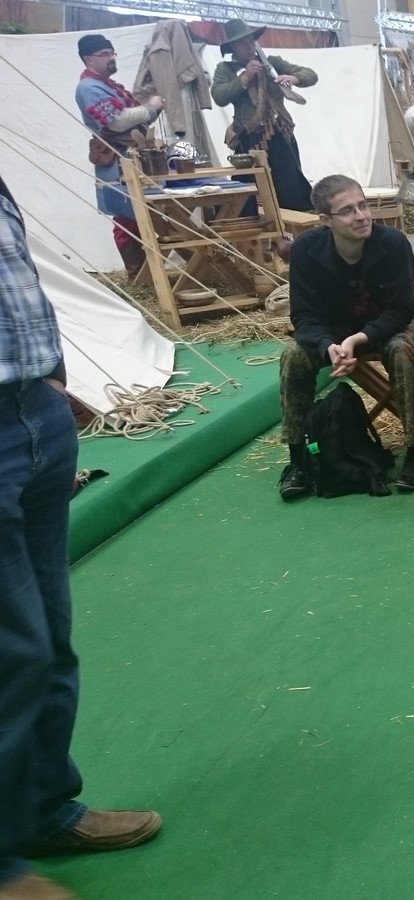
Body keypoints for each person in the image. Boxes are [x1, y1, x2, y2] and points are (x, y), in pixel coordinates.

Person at [0, 174, 163, 900]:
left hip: (35, 412)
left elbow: (21, 286)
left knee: (49, 641)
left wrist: (53, 390)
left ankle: (41, 810)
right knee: (13, 652)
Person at [277, 175, 414, 500]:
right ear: (326, 220)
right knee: (293, 355)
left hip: (392, 323)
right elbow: (304, 316)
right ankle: (298, 461)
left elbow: (400, 310)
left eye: (363, 206)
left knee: (401, 349)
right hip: (334, 330)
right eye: (348, 211)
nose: (361, 216)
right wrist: (327, 346)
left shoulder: (393, 243)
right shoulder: (307, 250)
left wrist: (357, 341)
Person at [73, 33, 164, 279]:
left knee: (141, 213)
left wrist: (151, 110)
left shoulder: (106, 85)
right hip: (117, 159)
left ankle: (150, 274)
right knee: (126, 217)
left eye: (112, 53)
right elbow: (115, 121)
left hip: (131, 156)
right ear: (89, 59)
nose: (111, 58)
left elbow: (130, 118)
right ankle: (139, 277)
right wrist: (150, 108)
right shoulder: (89, 87)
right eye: (104, 54)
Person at [211, 19, 317, 212]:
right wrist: (245, 77)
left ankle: (295, 222)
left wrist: (294, 78)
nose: (249, 46)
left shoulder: (272, 63)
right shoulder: (225, 69)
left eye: (251, 41)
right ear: (233, 46)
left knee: (290, 187)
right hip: (247, 139)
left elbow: (311, 74)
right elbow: (219, 96)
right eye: (243, 43)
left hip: (279, 136)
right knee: (246, 192)